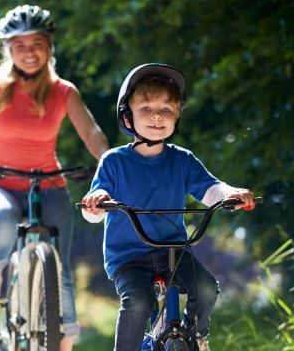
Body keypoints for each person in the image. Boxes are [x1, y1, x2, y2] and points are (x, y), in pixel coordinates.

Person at [0, 4, 109, 350]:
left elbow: (91, 132)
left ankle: (64, 343)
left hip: (49, 184)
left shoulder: (63, 91)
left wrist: (110, 163)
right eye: (20, 45)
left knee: (60, 267)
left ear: (49, 47)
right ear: (7, 49)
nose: (29, 52)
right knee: (3, 217)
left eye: (36, 43)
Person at [79, 63, 256, 351]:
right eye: (146, 108)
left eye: (167, 110)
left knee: (207, 288)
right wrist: (96, 203)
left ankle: (193, 337)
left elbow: (211, 189)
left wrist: (231, 194)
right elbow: (94, 204)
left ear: (176, 118)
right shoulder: (114, 161)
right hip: (128, 257)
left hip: (174, 250)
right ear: (127, 117)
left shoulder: (182, 160)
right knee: (137, 303)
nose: (157, 116)